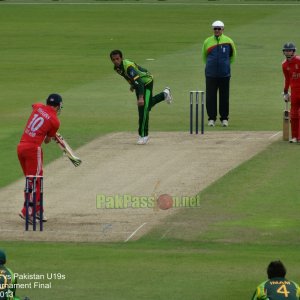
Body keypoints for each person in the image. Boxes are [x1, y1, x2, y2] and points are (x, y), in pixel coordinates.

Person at [110, 50, 172, 145]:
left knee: (144, 110)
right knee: (146, 107)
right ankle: (164, 94)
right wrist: (132, 85)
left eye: (117, 59)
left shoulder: (129, 67)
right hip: (139, 84)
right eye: (113, 60)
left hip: (146, 83)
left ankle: (144, 135)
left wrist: (140, 98)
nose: (116, 61)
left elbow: (140, 82)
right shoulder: (117, 68)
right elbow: (128, 77)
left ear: (121, 58)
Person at [17, 94, 63, 223]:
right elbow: (47, 140)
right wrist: (52, 134)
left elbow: (34, 105)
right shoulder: (55, 121)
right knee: (35, 182)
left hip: (21, 147)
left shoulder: (38, 107)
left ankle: (38, 210)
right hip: (33, 149)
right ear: (58, 106)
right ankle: (27, 211)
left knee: (32, 181)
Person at [202, 20, 236, 127]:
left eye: (219, 28)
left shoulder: (228, 41)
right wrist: (210, 66)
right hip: (210, 74)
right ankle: (211, 118)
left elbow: (233, 56)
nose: (217, 30)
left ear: (223, 29)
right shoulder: (207, 41)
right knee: (210, 97)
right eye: (215, 29)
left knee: (224, 97)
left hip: (224, 74)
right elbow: (204, 57)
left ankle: (224, 119)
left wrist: (225, 65)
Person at [282, 42, 300, 143]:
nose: (288, 52)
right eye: (286, 50)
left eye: (290, 50)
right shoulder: (284, 65)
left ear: (294, 51)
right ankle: (294, 137)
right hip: (294, 92)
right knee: (293, 115)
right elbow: (287, 79)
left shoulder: (299, 61)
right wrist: (285, 92)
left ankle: (299, 136)